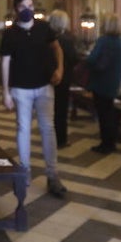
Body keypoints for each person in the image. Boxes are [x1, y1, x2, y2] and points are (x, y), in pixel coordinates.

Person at [1, 0, 67, 197]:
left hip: (44, 86)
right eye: (23, 7)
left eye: (30, 5)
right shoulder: (10, 33)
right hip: (20, 88)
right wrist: (6, 92)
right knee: (23, 129)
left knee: (48, 129)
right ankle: (25, 170)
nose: (28, 10)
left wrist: (60, 69)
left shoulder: (43, 28)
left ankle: (52, 173)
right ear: (16, 10)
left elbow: (57, 48)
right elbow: (5, 62)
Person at [85, 12, 121, 154]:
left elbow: (92, 59)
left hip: (101, 81)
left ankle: (105, 144)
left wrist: (88, 58)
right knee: (110, 113)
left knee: (103, 115)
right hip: (113, 82)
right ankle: (111, 142)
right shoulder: (120, 42)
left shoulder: (104, 40)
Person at [48, 10, 79, 147]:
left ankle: (50, 136)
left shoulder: (47, 38)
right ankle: (61, 139)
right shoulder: (66, 40)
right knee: (61, 109)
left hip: (48, 78)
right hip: (63, 78)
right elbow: (74, 58)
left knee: (50, 109)